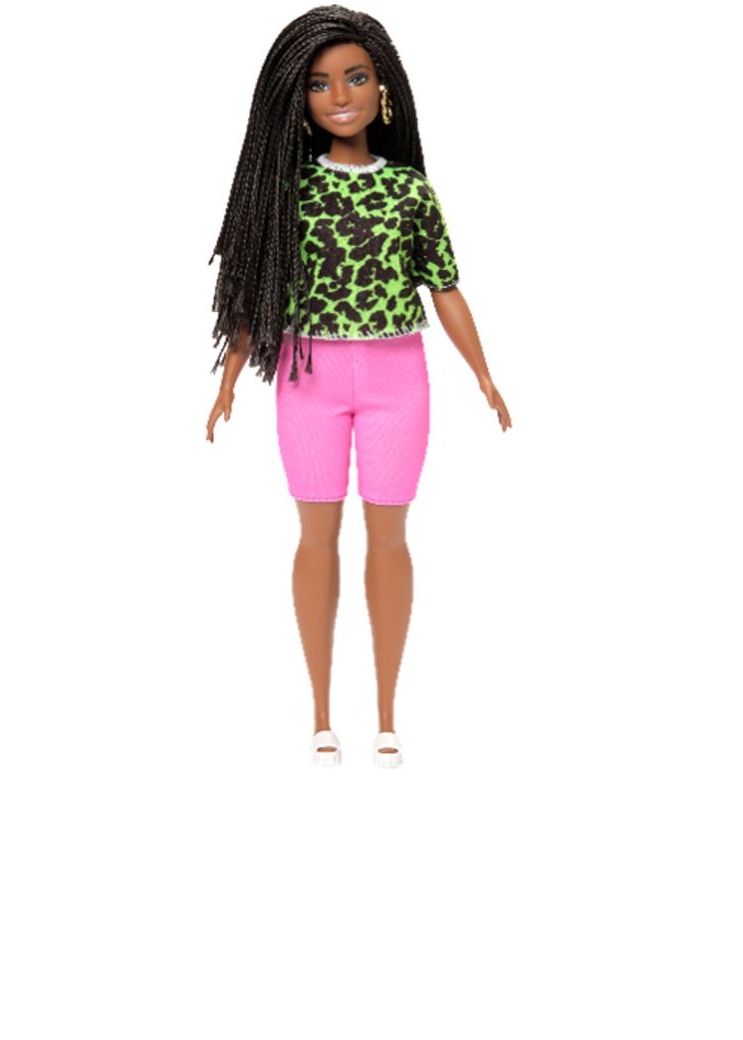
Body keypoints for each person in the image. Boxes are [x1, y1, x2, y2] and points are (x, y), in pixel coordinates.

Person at [204, 6, 512, 769]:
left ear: (384, 88)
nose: (340, 96)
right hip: (308, 375)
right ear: (296, 98)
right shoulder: (288, 191)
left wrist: (483, 372)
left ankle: (386, 713)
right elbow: (256, 293)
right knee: (315, 537)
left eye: (355, 77)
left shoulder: (410, 191)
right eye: (319, 84)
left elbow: (443, 286)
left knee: (390, 537)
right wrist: (229, 377)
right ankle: (319, 713)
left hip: (397, 375)